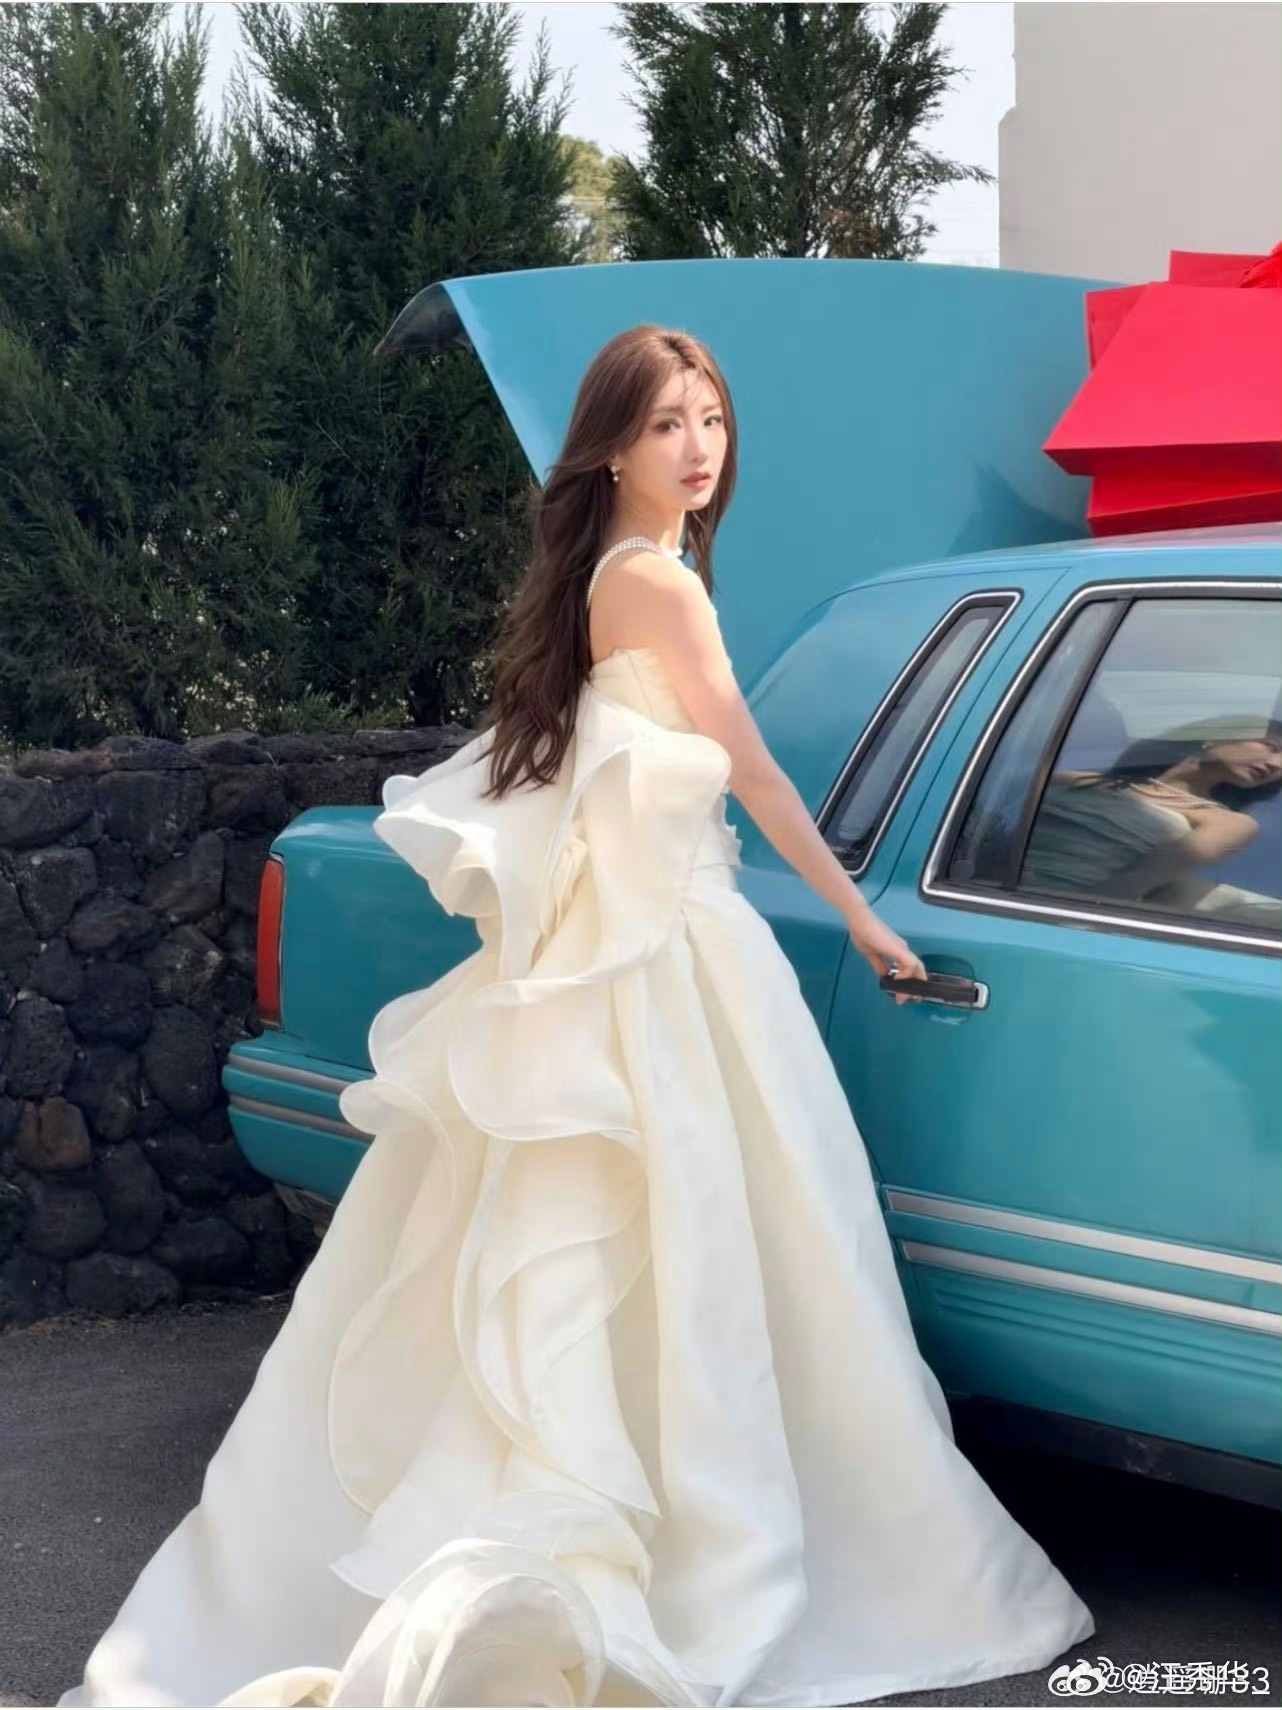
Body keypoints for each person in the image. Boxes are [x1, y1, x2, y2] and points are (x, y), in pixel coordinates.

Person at [59, 325, 1094, 1708]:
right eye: (666, 423)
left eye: (710, 417)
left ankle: (625, 1505)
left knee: (657, 1256)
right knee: (715, 1250)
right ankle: (688, 1547)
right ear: (610, 446)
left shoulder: (614, 575)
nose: (698, 446)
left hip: (653, 950)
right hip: (672, 957)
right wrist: (858, 913)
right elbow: (751, 768)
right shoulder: (656, 582)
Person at [1023, 728, 1282, 926]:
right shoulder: (1071, 780)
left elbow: (1130, 884)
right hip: (1007, 893)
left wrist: (1057, 923)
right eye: (1271, 747)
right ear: (1216, 736)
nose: (1276, 765)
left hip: (1052, 911)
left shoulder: (1228, 823)